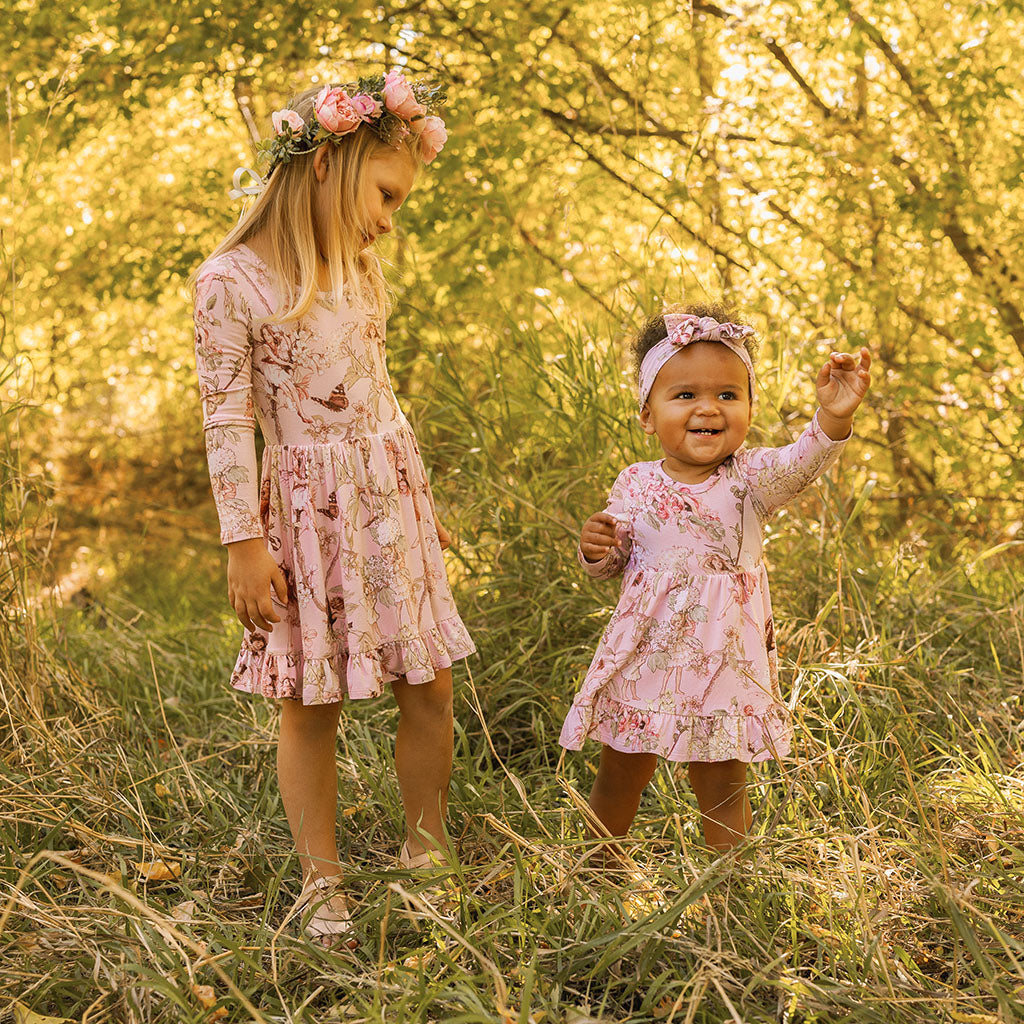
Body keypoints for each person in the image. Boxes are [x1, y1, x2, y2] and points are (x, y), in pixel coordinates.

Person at [192, 71, 473, 946]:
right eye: (387, 194)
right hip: (305, 519)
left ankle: (426, 855)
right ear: (328, 162)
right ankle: (323, 880)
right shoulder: (229, 281)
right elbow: (228, 415)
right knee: (311, 703)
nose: (391, 216)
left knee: (428, 683)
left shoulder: (358, 268)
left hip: (390, 500)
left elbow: (379, 394)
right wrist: (243, 541)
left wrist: (418, 506)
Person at [559, 304, 871, 855]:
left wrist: (833, 419)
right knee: (620, 771)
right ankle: (598, 872)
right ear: (647, 414)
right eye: (685, 396)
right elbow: (615, 563)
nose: (708, 408)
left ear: (749, 408)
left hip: (722, 659)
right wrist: (595, 549)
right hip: (645, 654)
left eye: (728, 395)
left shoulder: (751, 480)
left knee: (723, 783)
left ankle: (726, 894)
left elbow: (804, 460)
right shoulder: (635, 483)